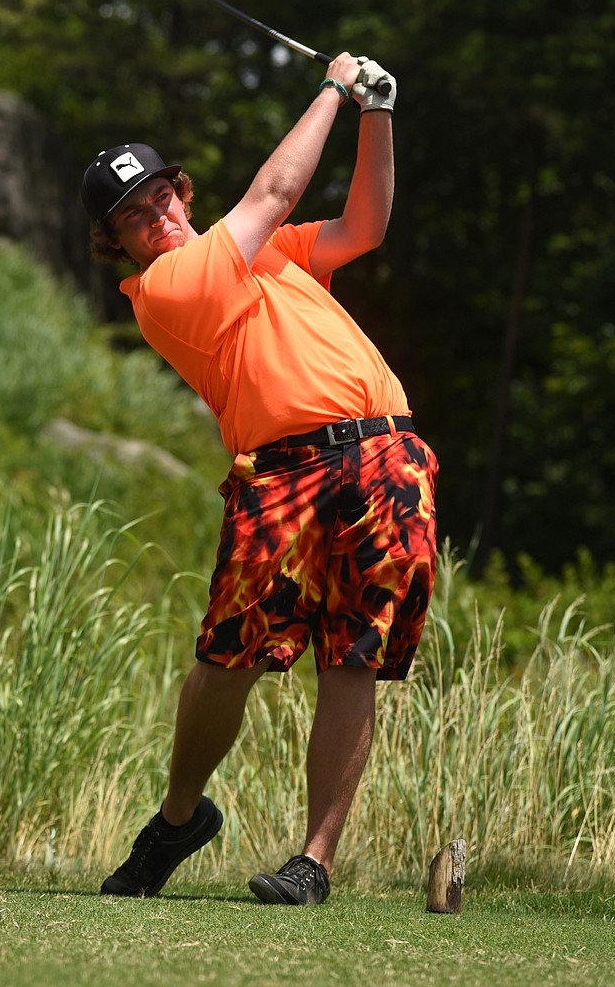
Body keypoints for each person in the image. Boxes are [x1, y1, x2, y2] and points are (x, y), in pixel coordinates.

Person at [80, 53, 438, 905]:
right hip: (279, 475)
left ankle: (313, 861)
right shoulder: (164, 288)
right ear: (117, 242)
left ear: (183, 193)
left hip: (386, 455)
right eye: (133, 215)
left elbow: (365, 226)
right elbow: (273, 192)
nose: (155, 215)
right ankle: (177, 817)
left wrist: (376, 113)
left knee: (354, 655)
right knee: (226, 661)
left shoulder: (274, 254)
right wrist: (331, 89)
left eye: (162, 195)